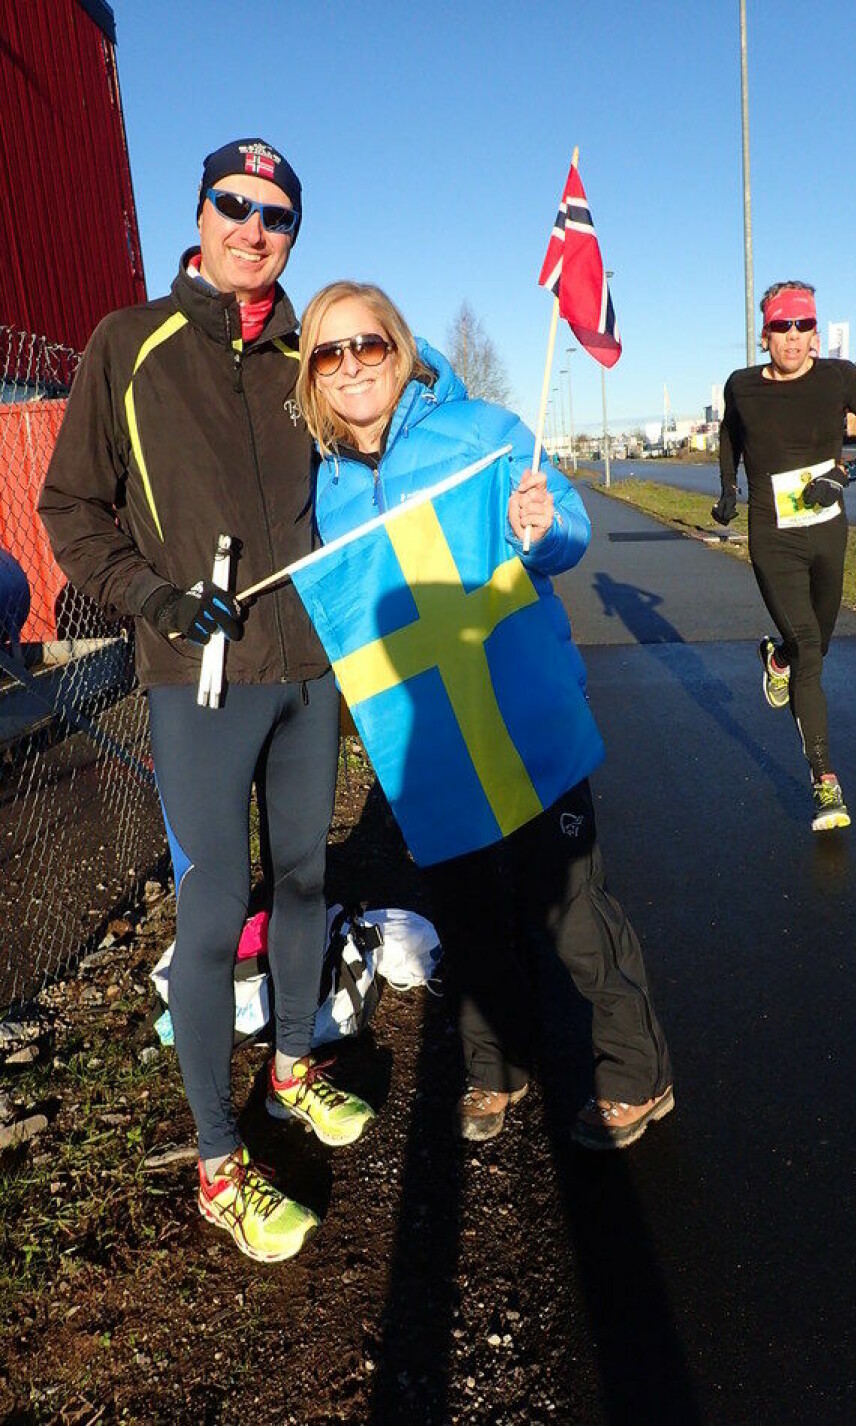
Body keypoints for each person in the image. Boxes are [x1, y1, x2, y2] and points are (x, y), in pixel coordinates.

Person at [39, 139, 373, 1264]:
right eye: (234, 205)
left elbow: (386, 448)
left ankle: (289, 1067)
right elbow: (72, 506)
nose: (253, 226)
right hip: (201, 677)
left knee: (309, 875)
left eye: (276, 214)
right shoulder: (130, 343)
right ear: (201, 212)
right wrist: (152, 599)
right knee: (217, 904)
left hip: (306, 669)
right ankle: (221, 1162)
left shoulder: (305, 352)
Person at [294, 280, 673, 1151]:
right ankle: (495, 1069)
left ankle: (636, 1072)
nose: (351, 365)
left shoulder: (484, 432)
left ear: (400, 346)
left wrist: (541, 527)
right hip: (431, 744)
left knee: (574, 913)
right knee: (468, 917)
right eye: (329, 352)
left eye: (368, 345)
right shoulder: (325, 491)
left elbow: (567, 532)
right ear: (312, 375)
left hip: (526, 712)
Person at [713, 280, 856, 831]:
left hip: (827, 532)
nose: (792, 338)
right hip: (774, 537)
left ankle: (777, 659)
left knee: (817, 641)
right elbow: (729, 436)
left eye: (802, 326)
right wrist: (729, 488)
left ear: (815, 332)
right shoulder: (742, 386)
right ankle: (825, 783)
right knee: (811, 648)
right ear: (764, 333)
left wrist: (844, 476)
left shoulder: (839, 377)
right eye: (780, 327)